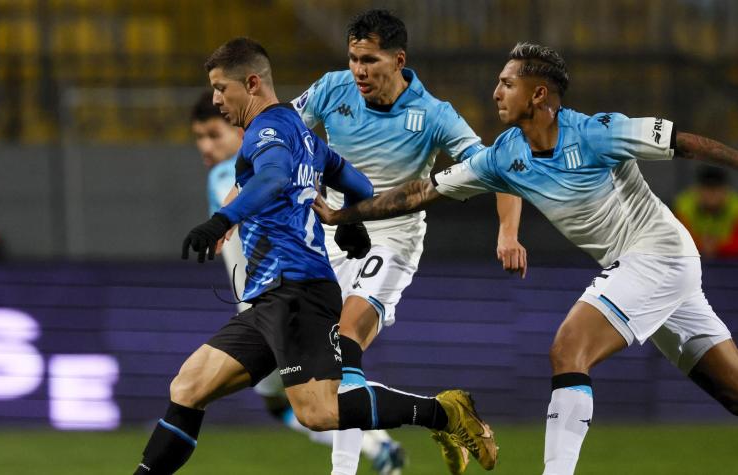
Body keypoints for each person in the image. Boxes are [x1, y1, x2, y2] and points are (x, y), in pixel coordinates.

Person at [313, 42, 738, 475]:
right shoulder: (505, 154)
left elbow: (684, 143)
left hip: (657, 256)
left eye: (507, 83)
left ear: (538, 95)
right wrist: (345, 213)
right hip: (652, 269)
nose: (496, 91)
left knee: (569, 349)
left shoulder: (598, 132)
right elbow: (423, 192)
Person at [131, 37, 498, 475]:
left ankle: (444, 413)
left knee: (318, 412)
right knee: (189, 385)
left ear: (250, 84)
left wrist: (222, 218)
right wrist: (350, 220)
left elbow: (271, 178)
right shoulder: (297, 129)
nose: (215, 99)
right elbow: (351, 176)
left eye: (219, 88)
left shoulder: (266, 132)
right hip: (270, 296)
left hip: (297, 292)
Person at [291, 9, 525, 475]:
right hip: (334, 232)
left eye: (370, 60)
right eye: (354, 58)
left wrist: (508, 232)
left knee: (346, 336)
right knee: (329, 365)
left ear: (398, 60)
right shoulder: (332, 88)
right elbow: (281, 133)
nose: (359, 70)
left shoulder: (434, 115)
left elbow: (497, 169)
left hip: (394, 236)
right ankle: (445, 413)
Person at [190, 91, 401, 464]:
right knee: (306, 399)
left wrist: (224, 219)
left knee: (309, 400)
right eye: (199, 138)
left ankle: (400, 430)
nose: (205, 146)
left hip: (271, 305)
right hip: (295, 296)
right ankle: (386, 438)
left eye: (213, 134)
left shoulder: (230, 174)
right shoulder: (290, 156)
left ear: (240, 131)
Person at [674, 165, 738, 258]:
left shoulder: (735, 207)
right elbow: (678, 241)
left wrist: (718, 247)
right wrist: (702, 245)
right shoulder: (684, 205)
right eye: (707, 188)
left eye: (717, 188)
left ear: (726, 191)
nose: (712, 194)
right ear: (697, 190)